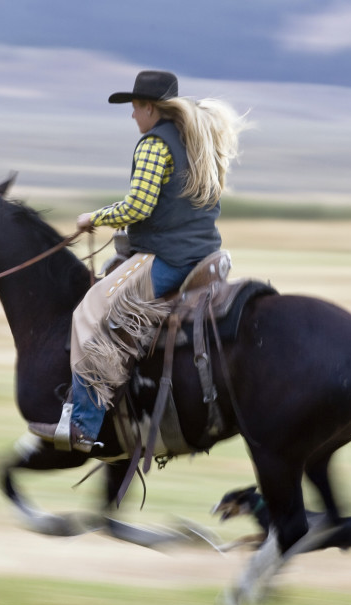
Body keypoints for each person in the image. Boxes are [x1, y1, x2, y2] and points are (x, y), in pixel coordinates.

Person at [28, 70, 246, 451]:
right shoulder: (198, 140)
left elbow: (138, 206)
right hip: (202, 253)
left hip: (167, 257)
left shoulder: (153, 145)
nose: (132, 116)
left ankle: (82, 423)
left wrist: (92, 218)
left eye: (134, 108)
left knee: (92, 312)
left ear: (149, 108)